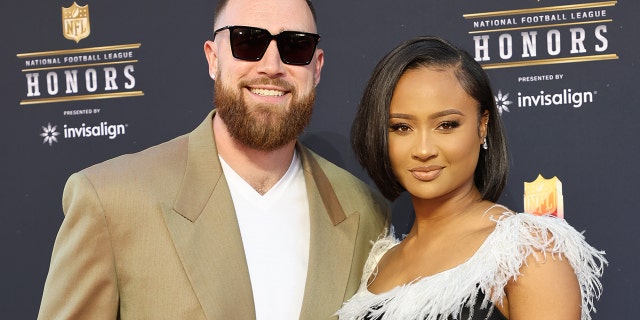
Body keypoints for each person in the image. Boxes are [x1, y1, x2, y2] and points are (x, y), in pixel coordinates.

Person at [37, 0, 388, 319]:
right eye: (247, 42)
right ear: (213, 58)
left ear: (317, 66)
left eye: (295, 45)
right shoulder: (110, 200)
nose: (271, 65)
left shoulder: (367, 213)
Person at [335, 36, 606, 320]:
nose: (424, 150)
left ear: (482, 125)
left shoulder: (527, 251)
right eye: (402, 127)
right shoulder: (380, 264)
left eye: (446, 125)